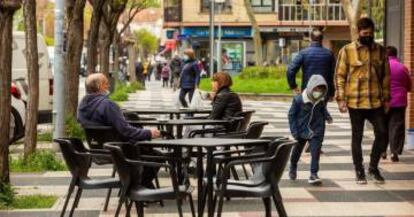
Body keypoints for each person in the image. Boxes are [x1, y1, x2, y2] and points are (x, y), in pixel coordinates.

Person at [77, 73, 161, 187]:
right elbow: (125, 130)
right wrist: (149, 133)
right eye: (106, 83)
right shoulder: (108, 105)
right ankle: (135, 188)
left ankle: (137, 187)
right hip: (120, 149)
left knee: (148, 153)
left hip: (98, 150)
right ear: (100, 86)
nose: (108, 86)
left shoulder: (82, 106)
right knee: (157, 156)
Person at [335, 18, 390, 184]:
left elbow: (386, 77)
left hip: (375, 102)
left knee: (382, 133)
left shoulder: (380, 51)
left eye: (371, 33)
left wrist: (387, 98)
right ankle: (359, 170)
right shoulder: (347, 50)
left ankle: (373, 167)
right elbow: (340, 75)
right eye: (365, 33)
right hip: (355, 103)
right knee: (356, 137)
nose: (369, 36)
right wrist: (340, 99)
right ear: (358, 32)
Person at [288, 75, 332, 185]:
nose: (318, 92)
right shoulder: (299, 100)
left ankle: (313, 174)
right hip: (301, 130)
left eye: (321, 89)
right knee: (297, 151)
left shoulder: (320, 100)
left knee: (315, 152)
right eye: (316, 89)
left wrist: (328, 117)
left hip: (316, 129)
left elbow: (323, 110)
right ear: (310, 87)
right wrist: (294, 131)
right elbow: (291, 115)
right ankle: (293, 166)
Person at [287, 28, 336, 99]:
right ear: (322, 39)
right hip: (324, 90)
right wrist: (332, 92)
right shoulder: (329, 54)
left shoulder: (303, 53)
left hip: (307, 90)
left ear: (311, 39)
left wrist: (293, 86)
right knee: (321, 109)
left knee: (307, 109)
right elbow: (333, 74)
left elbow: (291, 70)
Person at [383, 46, 412, 162]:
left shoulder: (381, 67)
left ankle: (382, 151)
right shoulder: (403, 68)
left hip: (383, 101)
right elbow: (409, 85)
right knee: (396, 127)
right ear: (396, 54)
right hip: (399, 101)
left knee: (382, 126)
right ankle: (394, 152)